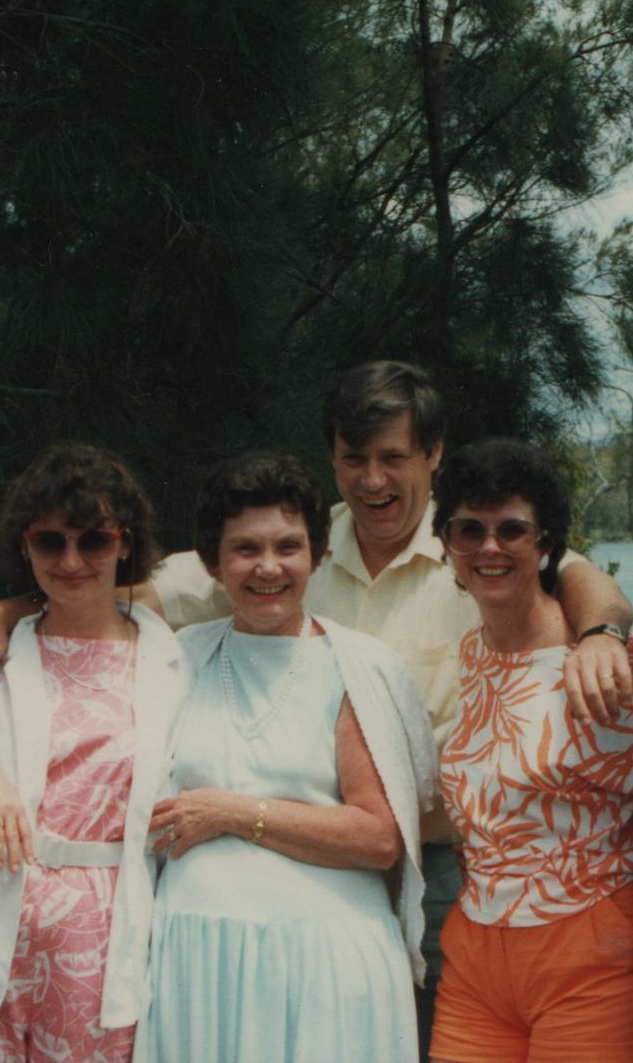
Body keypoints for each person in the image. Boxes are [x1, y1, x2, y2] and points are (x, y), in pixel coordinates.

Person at [0, 360, 633, 1051]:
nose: (372, 479)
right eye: (353, 459)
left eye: (392, 458)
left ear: (432, 455)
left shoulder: (476, 544)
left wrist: (603, 634)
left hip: (448, 869)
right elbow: (100, 589)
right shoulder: (284, 544)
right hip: (215, 939)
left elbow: (580, 583)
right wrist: (3, 614)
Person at [133, 452, 436, 1063]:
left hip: (324, 963)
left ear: (317, 554)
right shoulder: (174, 658)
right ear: (214, 563)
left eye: (288, 546)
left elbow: (380, 837)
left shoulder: (354, 665)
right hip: (198, 960)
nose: (268, 567)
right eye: (245, 549)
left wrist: (232, 813)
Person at [0, 445, 191, 1063]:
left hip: (111, 935)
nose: (71, 561)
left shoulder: (176, 662)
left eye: (93, 541)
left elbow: (256, 572)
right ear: (25, 546)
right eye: (50, 542)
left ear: (124, 544)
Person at [426, 438, 633, 1063]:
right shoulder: (473, 653)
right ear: (448, 544)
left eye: (512, 530)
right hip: (478, 948)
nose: (490, 547)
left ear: (547, 542)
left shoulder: (608, 658)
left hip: (589, 942)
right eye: (469, 529)